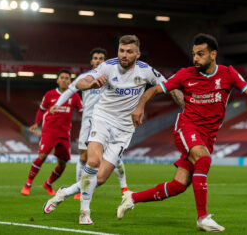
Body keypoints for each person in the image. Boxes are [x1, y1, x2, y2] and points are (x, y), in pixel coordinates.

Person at [117, 33, 247, 232]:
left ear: (213, 54)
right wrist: (140, 107)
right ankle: (202, 218)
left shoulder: (228, 73)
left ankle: (132, 197)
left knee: (179, 184)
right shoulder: (185, 74)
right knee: (203, 160)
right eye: (194, 54)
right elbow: (153, 90)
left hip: (208, 136)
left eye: (200, 54)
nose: (195, 58)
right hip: (187, 127)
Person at [42, 35, 184, 225]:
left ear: (137, 54)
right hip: (102, 119)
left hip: (125, 129)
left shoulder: (146, 71)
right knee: (92, 161)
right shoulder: (107, 66)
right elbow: (80, 83)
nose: (124, 55)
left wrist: (187, 107)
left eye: (129, 52)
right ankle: (84, 212)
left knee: (99, 179)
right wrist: (91, 83)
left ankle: (64, 193)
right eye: (121, 51)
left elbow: (171, 87)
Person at [74, 48, 129, 200]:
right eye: (95, 58)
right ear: (91, 61)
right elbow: (72, 89)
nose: (98, 60)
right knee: (84, 157)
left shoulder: (111, 77)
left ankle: (124, 187)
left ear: (104, 61)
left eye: (101, 58)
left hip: (106, 120)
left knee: (113, 156)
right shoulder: (85, 77)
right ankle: (79, 187)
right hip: (87, 121)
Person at [21, 69, 82, 196]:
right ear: (58, 80)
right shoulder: (50, 94)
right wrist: (36, 123)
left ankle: (48, 183)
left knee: (63, 163)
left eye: (67, 78)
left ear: (70, 81)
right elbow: (41, 109)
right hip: (49, 131)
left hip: (64, 134)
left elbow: (82, 112)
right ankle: (28, 184)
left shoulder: (75, 96)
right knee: (42, 156)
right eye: (62, 78)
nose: (64, 80)